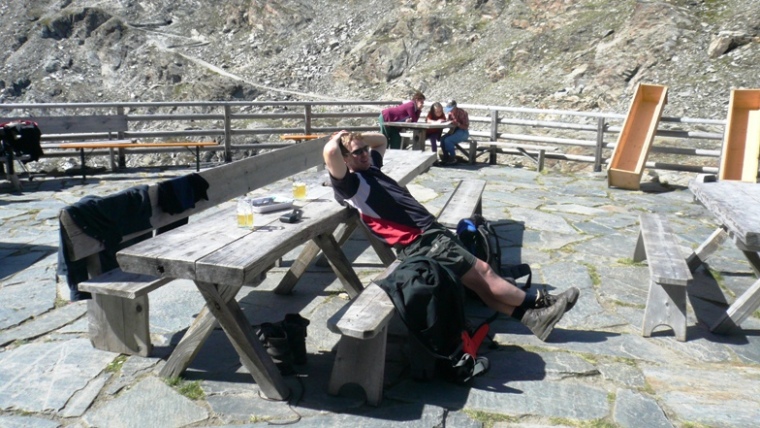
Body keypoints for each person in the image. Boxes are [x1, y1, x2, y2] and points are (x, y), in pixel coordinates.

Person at [323, 131, 580, 342]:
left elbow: (382, 139)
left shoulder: (369, 168)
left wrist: (355, 137)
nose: (366, 153)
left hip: (427, 236)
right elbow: (330, 153)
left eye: (365, 149)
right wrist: (339, 138)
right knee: (485, 272)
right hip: (423, 240)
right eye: (358, 152)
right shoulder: (351, 184)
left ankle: (532, 318)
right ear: (345, 159)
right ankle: (541, 302)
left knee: (478, 283)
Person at [439, 100, 470, 166]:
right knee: (442, 139)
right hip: (454, 131)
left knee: (448, 140)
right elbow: (450, 122)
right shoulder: (450, 114)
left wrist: (458, 124)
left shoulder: (462, 113)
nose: (450, 111)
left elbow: (465, 126)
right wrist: (445, 122)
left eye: (451, 109)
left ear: (455, 107)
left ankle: (453, 158)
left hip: (463, 132)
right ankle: (446, 157)